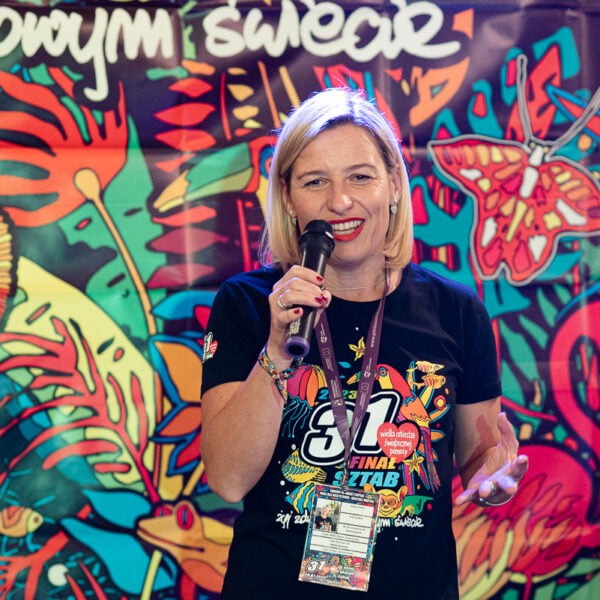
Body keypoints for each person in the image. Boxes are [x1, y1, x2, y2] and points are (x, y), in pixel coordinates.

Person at [201, 87, 529, 599]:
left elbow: (479, 456)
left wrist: (492, 478)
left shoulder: (456, 310)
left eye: (360, 176)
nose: (340, 201)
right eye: (315, 181)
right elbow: (227, 479)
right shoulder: (247, 304)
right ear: (287, 196)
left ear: (394, 184)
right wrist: (277, 348)